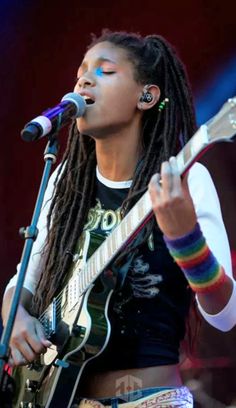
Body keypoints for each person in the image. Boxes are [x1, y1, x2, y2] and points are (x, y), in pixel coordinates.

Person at [2, 30, 236, 408]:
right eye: (81, 71)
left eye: (105, 70)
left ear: (146, 96)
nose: (84, 78)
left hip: (153, 399)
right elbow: (22, 281)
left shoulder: (187, 179)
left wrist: (185, 241)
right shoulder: (65, 179)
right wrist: (14, 319)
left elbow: (226, 315)